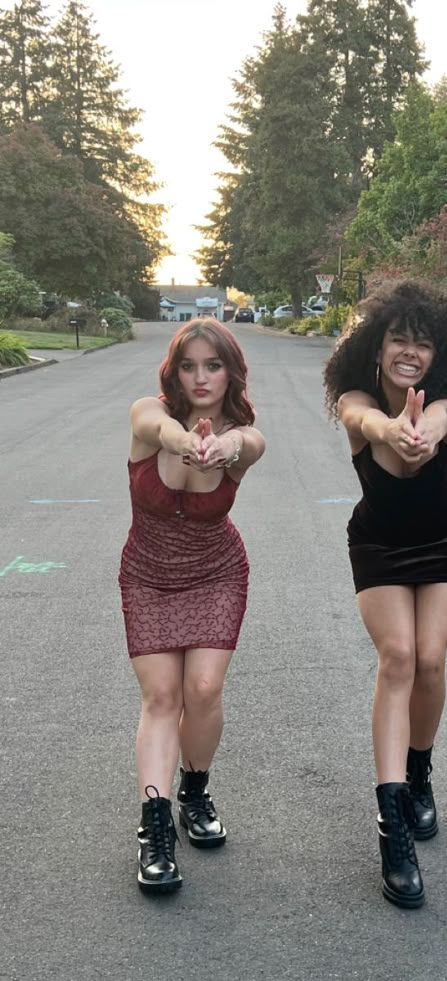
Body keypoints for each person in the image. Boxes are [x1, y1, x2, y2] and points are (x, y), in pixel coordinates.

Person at [323, 281, 447, 908]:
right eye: (399, 339)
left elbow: (444, 417)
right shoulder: (359, 400)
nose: (410, 352)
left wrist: (424, 429)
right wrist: (389, 430)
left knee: (429, 660)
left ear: (436, 355)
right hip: (379, 543)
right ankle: (394, 826)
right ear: (377, 344)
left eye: (423, 344)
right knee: (397, 657)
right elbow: (359, 418)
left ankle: (420, 772)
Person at [119, 317, 265, 894]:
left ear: (231, 372)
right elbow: (157, 427)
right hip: (148, 576)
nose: (200, 377)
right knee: (161, 696)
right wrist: (187, 440)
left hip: (216, 573)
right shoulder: (146, 414)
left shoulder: (242, 437)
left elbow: (249, 444)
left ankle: (195, 792)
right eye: (189, 365)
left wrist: (225, 444)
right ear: (173, 372)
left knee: (202, 690)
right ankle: (155, 829)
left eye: (213, 365)